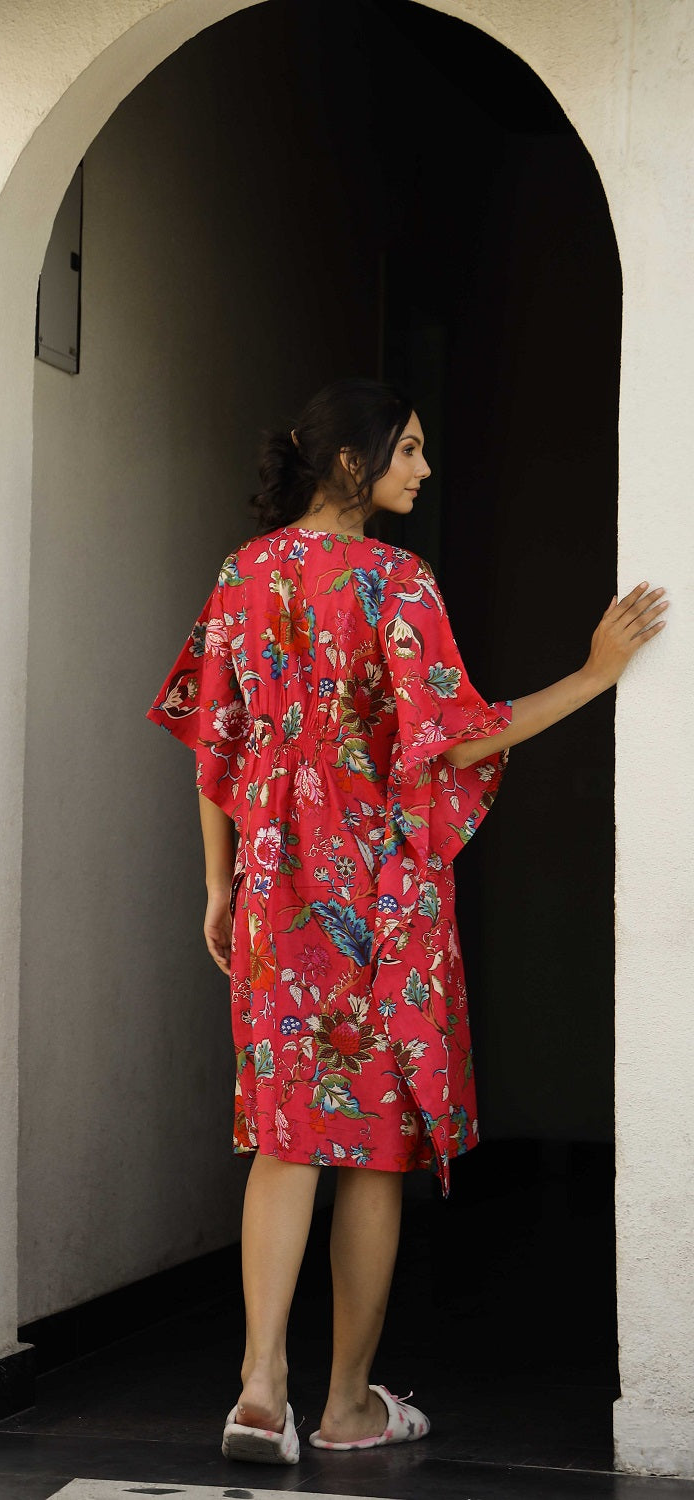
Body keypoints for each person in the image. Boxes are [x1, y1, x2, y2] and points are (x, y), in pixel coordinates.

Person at [146, 376, 668, 1465]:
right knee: (373, 1153)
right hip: (382, 906)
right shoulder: (398, 581)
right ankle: (345, 1407)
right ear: (354, 460)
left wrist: (218, 883)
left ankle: (258, 1388)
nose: (425, 470)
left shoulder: (243, 575)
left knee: (285, 1137)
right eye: (410, 449)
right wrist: (595, 673)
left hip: (272, 893)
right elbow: (457, 739)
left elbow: (215, 744)